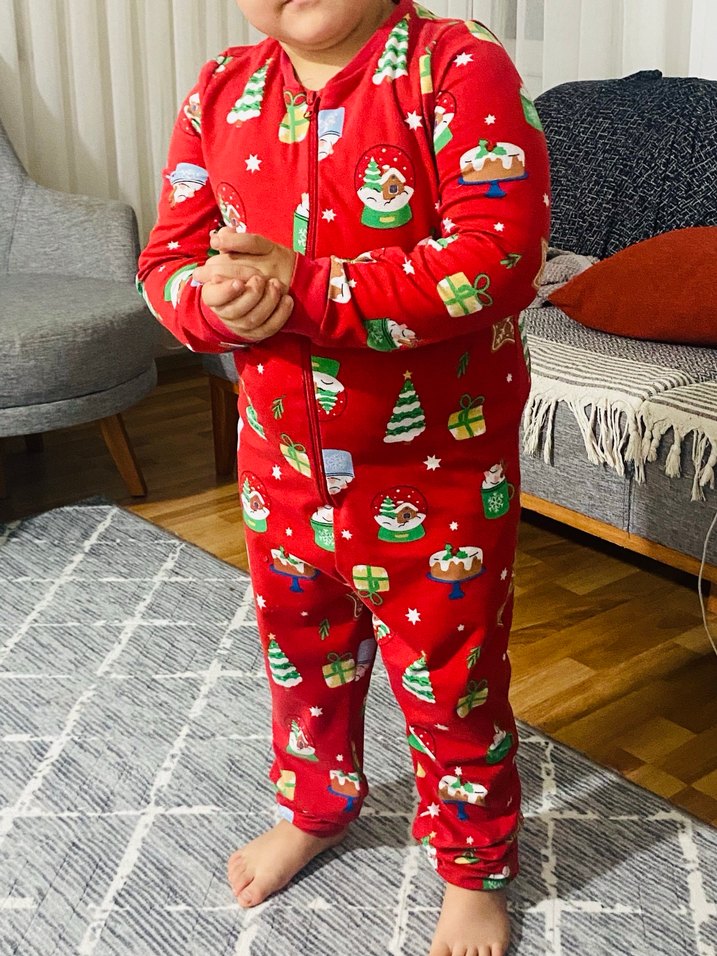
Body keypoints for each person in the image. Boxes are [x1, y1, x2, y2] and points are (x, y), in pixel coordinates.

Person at [137, 1, 550, 953]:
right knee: (302, 661)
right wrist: (212, 304)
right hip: (278, 470)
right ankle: (316, 808)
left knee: (451, 682)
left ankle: (472, 866)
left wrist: (307, 287)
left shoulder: (456, 65)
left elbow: (498, 259)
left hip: (438, 476)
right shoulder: (220, 92)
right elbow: (166, 260)